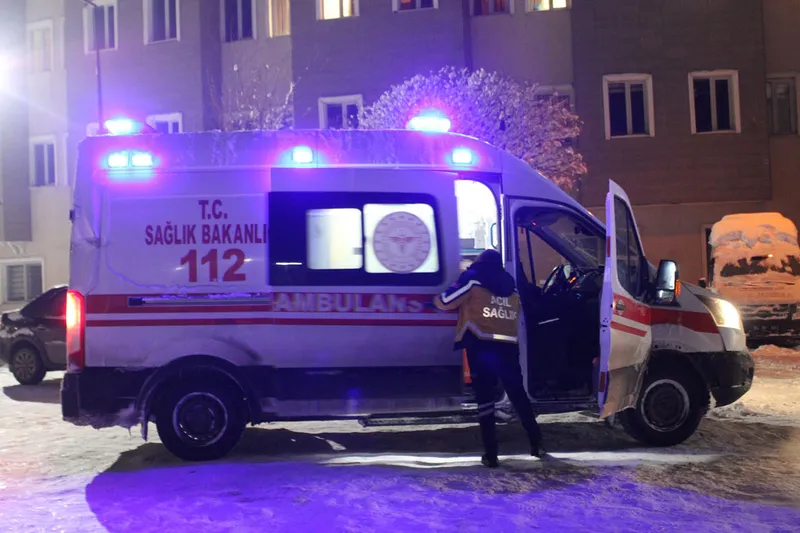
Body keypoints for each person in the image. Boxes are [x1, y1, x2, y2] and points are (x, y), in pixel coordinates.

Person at [434, 249, 544, 468]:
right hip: (508, 345)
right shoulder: (510, 283)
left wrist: (434, 298)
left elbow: (446, 301)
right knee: (518, 396)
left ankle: (491, 455)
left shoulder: (472, 278)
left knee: (485, 400)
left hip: (481, 344)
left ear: (479, 262)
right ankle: (537, 444)